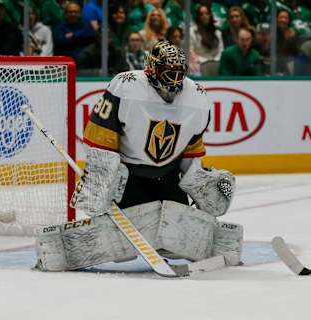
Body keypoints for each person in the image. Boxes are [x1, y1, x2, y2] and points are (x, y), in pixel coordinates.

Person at [36, 40, 242, 272]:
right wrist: (101, 179)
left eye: (178, 72)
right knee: (126, 228)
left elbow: (191, 150)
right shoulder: (125, 86)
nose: (174, 80)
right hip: (129, 176)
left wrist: (198, 183)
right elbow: (99, 136)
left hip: (168, 174)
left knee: (176, 227)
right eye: (167, 72)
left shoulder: (198, 98)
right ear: (152, 68)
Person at [189, 4, 224, 76]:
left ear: (210, 15)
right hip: (199, 64)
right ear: (198, 16)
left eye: (207, 14)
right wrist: (200, 61)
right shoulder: (192, 31)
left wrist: (215, 60)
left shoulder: (217, 32)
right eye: (201, 14)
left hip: (216, 62)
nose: (204, 16)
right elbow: (190, 50)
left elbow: (221, 50)